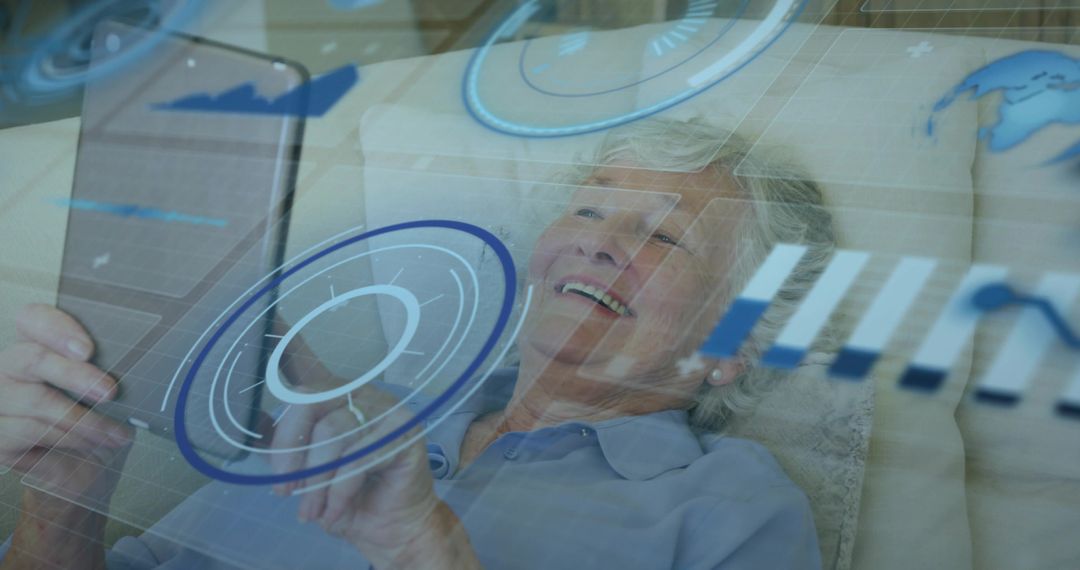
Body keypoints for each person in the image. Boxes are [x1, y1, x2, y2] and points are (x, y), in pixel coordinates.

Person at [0, 118, 835, 569]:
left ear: (734, 343)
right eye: (586, 210)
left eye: (663, 235)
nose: (596, 240)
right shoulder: (345, 414)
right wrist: (69, 493)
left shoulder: (730, 512)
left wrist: (419, 553)